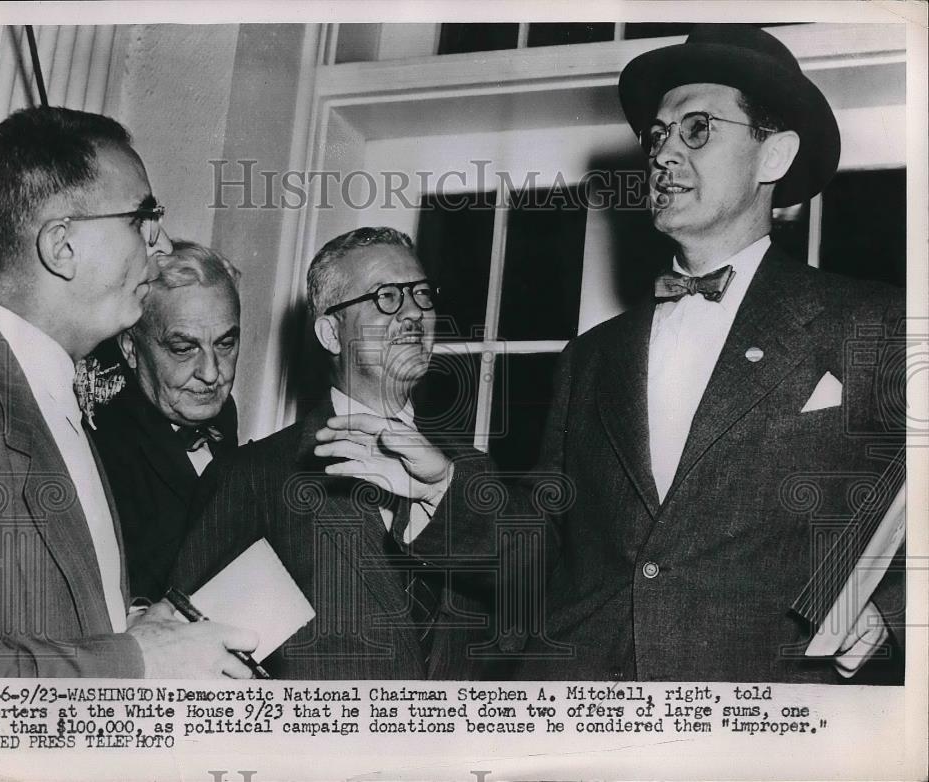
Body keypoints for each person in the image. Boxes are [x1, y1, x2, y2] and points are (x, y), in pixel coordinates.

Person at [315, 25, 906, 683]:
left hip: (763, 726)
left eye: (697, 129)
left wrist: (888, 610)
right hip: (588, 720)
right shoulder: (593, 358)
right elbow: (544, 557)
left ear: (774, 156)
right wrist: (443, 492)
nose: (662, 155)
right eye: (657, 137)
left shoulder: (872, 323)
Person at [0, 106, 259, 677]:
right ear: (62, 247)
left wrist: (133, 632)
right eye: (141, 219)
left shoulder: (62, 408)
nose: (163, 243)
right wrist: (139, 660)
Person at [171, 227, 490, 679]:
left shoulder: (471, 470)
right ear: (330, 333)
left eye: (422, 294)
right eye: (386, 297)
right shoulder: (253, 478)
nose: (415, 312)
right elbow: (198, 664)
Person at [90, 240, 241, 602]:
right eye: (183, 348)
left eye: (225, 344)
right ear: (130, 348)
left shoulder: (222, 415)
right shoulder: (104, 444)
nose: (211, 373)